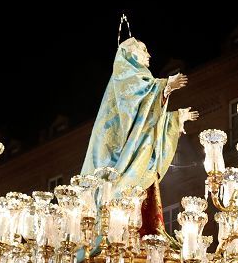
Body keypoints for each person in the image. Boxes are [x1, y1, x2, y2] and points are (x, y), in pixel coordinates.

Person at [81, 32, 199, 237]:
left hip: (141, 158)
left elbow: (146, 120)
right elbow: (134, 107)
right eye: (143, 49)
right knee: (119, 203)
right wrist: (165, 86)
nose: (149, 54)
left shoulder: (143, 82)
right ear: (129, 53)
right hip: (120, 159)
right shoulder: (124, 79)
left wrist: (175, 119)